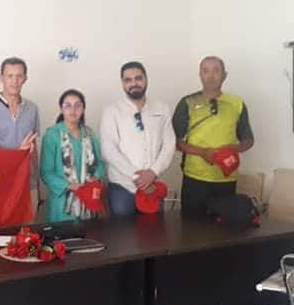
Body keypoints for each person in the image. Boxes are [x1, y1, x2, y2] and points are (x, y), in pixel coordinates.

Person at [172, 56, 254, 215]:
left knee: (222, 226)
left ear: (224, 75)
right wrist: (202, 152)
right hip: (194, 177)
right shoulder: (187, 102)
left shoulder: (237, 103)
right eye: (205, 71)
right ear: (200, 75)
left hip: (226, 177)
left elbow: (249, 140)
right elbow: (175, 141)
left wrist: (234, 149)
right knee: (191, 225)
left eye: (216, 71)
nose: (211, 76)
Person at [100, 61, 175, 216]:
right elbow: (109, 150)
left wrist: (153, 172)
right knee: (124, 231)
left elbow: (169, 145)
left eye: (138, 78)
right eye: (128, 80)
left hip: (153, 184)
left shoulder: (161, 108)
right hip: (122, 187)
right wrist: (137, 177)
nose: (134, 83)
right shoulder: (112, 111)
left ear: (146, 79)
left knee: (154, 229)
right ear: (123, 84)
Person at [0, 57, 40, 220]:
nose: (14, 81)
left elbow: (34, 145)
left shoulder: (32, 108)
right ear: (1, 78)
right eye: (10, 76)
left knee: (27, 230)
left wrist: (36, 182)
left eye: (19, 76)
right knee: (1, 230)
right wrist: (16, 154)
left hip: (27, 183)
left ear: (25, 79)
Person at [40, 89, 106, 222]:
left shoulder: (89, 134)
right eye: (68, 105)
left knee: (89, 234)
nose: (73, 110)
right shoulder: (52, 135)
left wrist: (95, 177)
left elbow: (101, 163)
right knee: (63, 235)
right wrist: (69, 185)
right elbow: (46, 173)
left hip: (88, 200)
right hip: (63, 204)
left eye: (78, 105)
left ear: (83, 109)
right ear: (61, 109)